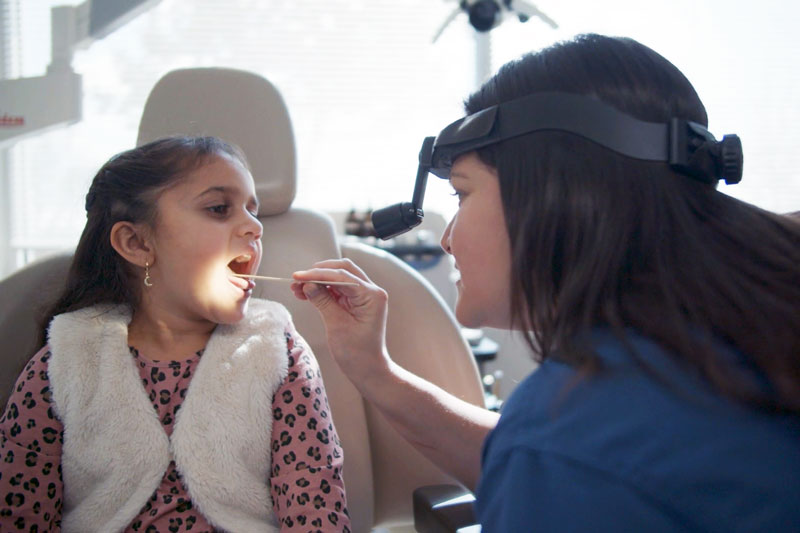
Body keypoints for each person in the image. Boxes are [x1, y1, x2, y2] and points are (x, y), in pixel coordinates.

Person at [291, 34, 800, 531]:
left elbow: (562, 460)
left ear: (551, 194)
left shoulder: (572, 437)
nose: (447, 239)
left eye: (463, 196)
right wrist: (373, 370)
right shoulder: (734, 328)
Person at [0, 136, 350, 532]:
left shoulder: (276, 351)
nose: (255, 226)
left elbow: (317, 513)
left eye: (255, 212)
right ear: (136, 242)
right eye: (219, 208)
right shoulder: (65, 358)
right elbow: (18, 515)